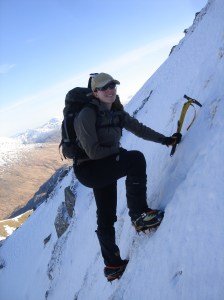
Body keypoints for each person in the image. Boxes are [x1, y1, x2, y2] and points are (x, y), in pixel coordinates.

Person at [73, 73, 181, 281]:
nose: (110, 90)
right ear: (95, 93)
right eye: (104, 87)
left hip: (103, 165)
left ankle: (113, 265)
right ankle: (139, 215)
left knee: (106, 216)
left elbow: (139, 129)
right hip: (89, 170)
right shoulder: (86, 114)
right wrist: (117, 153)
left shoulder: (116, 112)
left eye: (112, 85)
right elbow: (94, 152)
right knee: (135, 159)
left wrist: (165, 140)